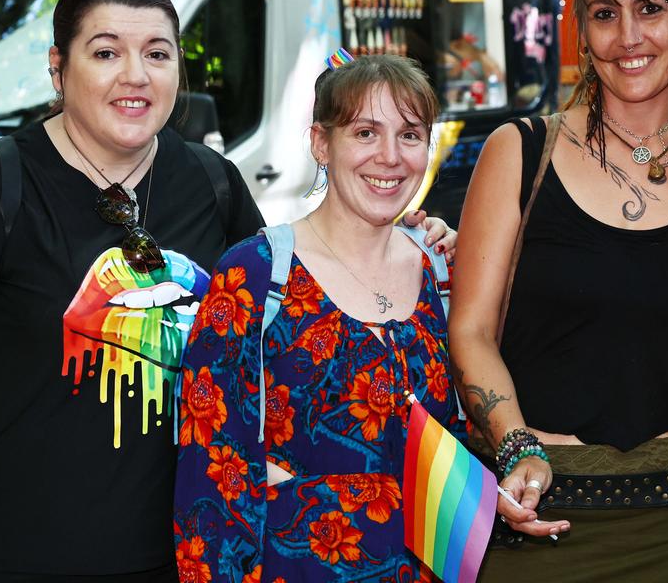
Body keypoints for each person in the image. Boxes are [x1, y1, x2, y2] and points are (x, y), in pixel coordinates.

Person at [0, 0, 452, 582]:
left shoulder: (211, 183)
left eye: (157, 53)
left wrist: (396, 240)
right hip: (17, 559)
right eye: (106, 52)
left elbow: (289, 333)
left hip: (184, 557)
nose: (136, 75)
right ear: (58, 66)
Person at [449, 0, 668, 581]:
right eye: (604, 13)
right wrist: (515, 450)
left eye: (650, 9)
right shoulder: (521, 151)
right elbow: (471, 330)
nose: (628, 37)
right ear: (582, 30)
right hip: (537, 521)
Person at [173, 53, 462, 581]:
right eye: (366, 133)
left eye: (410, 134)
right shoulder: (256, 274)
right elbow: (210, 481)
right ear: (321, 144)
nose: (391, 157)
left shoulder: (441, 270)